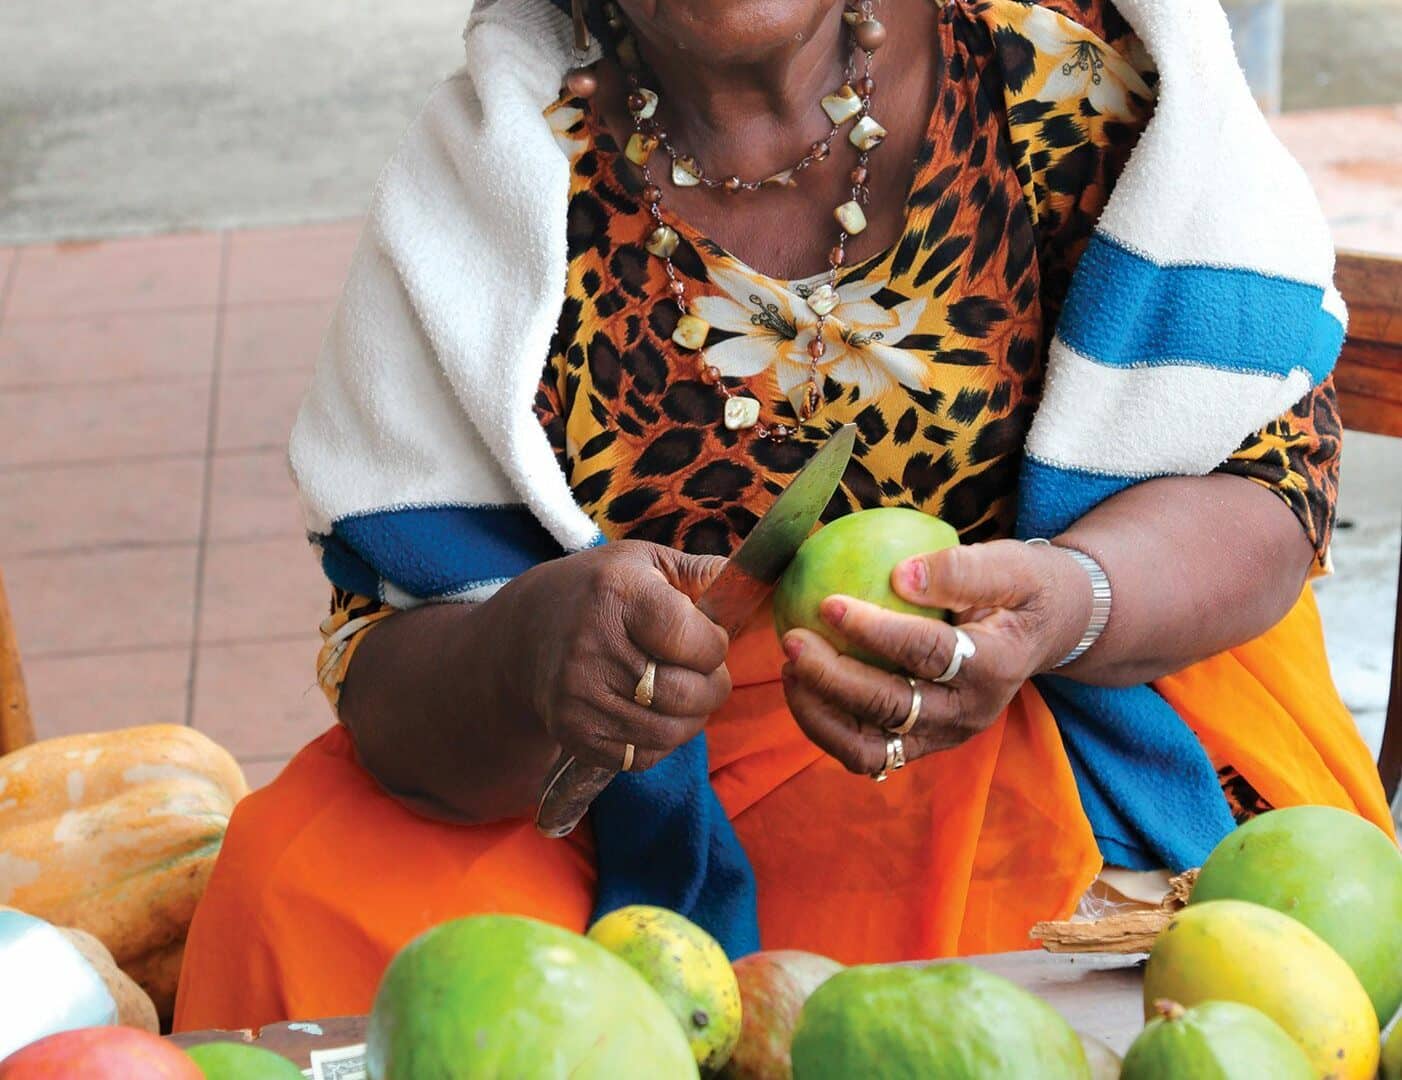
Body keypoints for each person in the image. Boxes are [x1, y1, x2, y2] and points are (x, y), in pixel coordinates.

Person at [174, 0, 1392, 1030]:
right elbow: (384, 650)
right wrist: (532, 652)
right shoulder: (495, 180)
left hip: (1072, 703)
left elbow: (1270, 483)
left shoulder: (1074, 75)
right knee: (303, 894)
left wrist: (1070, 599)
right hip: (629, 778)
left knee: (977, 1011)